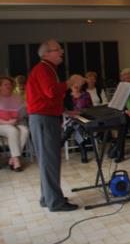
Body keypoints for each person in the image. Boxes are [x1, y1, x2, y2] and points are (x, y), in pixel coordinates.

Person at [27, 39, 84, 212]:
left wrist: (66, 111)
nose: (61, 52)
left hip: (44, 118)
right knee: (50, 161)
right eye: (57, 49)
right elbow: (51, 92)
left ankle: (48, 197)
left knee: (47, 160)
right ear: (46, 54)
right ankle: (55, 202)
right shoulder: (44, 69)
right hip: (44, 120)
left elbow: (47, 97)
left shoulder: (47, 69)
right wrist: (69, 82)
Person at [63, 74, 93, 163]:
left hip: (84, 118)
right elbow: (64, 110)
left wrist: (81, 114)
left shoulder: (86, 95)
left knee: (76, 124)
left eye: (78, 85)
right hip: (71, 118)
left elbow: (91, 108)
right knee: (77, 126)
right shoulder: (66, 96)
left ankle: (64, 137)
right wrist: (71, 114)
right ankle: (83, 152)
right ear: (71, 84)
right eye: (74, 84)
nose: (76, 86)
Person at [0, 76, 28, 171]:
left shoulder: (18, 98)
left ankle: (12, 158)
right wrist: (6, 122)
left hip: (15, 123)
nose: (9, 86)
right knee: (12, 130)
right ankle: (16, 160)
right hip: (1, 124)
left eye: (10, 84)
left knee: (24, 130)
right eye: (5, 84)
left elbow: (23, 112)